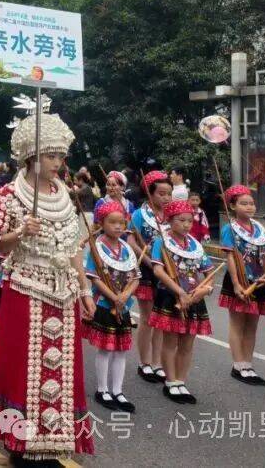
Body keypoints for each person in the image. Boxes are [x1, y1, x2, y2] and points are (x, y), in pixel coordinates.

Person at [0, 108, 96, 464]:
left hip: (64, 292)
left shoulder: (65, 192)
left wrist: (86, 290)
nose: (58, 162)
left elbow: (74, 246)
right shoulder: (11, 194)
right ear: (31, 156)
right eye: (51, 155)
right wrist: (20, 232)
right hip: (26, 287)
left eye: (61, 155)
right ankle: (19, 444)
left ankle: (52, 444)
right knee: (23, 369)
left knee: (61, 368)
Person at [148, 198, 216, 403]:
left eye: (189, 220)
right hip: (170, 296)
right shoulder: (162, 241)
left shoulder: (195, 244)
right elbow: (158, 270)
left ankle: (181, 381)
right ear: (170, 220)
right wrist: (180, 292)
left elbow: (209, 271)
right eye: (181, 220)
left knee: (188, 341)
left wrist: (204, 290)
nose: (186, 224)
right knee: (171, 340)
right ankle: (170, 381)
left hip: (194, 297)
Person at [83, 200, 140, 414]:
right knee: (106, 349)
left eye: (121, 222)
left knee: (121, 350)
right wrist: (113, 296)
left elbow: (136, 277)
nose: (118, 226)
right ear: (101, 223)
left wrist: (124, 295)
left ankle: (118, 390)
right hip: (105, 304)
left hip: (123, 306)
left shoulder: (126, 248)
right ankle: (102, 389)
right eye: (112, 222)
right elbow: (94, 277)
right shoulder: (96, 247)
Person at [218, 184, 265, 386]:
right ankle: (238, 365)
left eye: (251, 203)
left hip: (259, 281)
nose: (249, 207)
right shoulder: (229, 229)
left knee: (252, 324)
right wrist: (235, 283)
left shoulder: (260, 228)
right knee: (237, 323)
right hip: (240, 281)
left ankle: (248, 365)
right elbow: (231, 258)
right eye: (243, 203)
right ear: (233, 206)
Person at [128, 170, 172, 384]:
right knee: (147, 317)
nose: (166, 198)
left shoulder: (171, 216)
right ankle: (144, 362)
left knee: (161, 318)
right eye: (161, 193)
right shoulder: (138, 215)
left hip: (167, 271)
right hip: (146, 269)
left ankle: (157, 363)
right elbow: (132, 242)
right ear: (150, 193)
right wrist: (149, 261)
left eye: (168, 194)